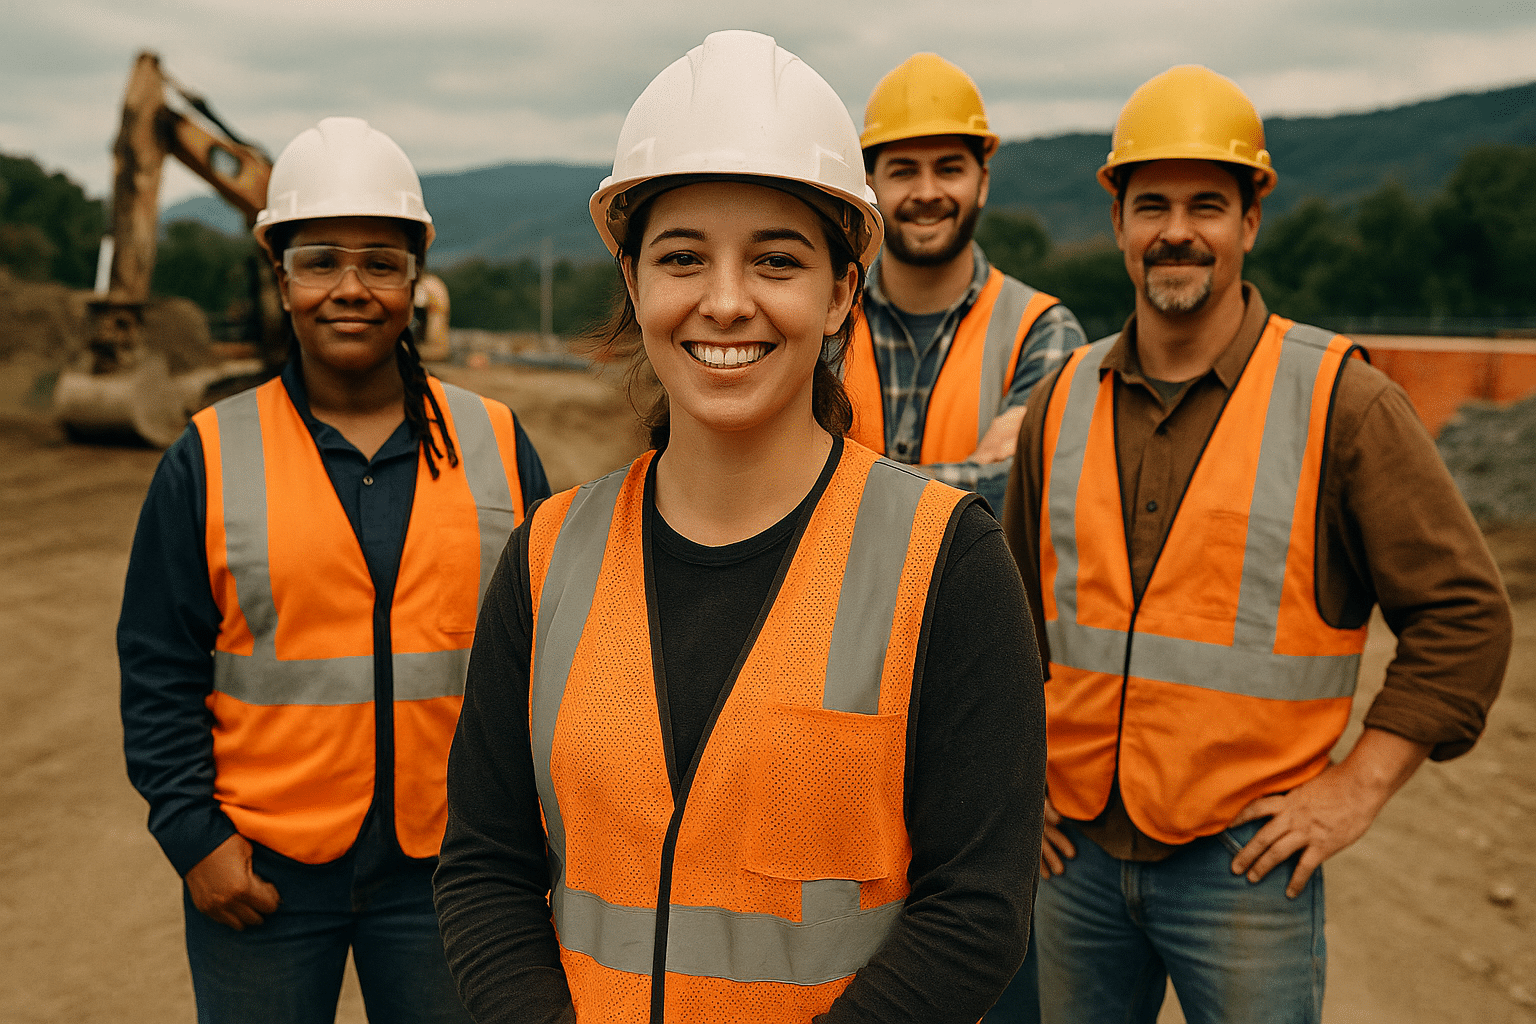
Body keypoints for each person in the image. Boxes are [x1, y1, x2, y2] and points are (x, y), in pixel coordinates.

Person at [432, 30, 1046, 1024]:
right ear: (633, 285)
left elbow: (975, 908)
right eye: (683, 258)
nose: (725, 300)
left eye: (776, 259)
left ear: (843, 293)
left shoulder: (945, 562)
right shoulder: (547, 560)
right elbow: (484, 869)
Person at [1000, 65, 1512, 1023]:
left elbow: (1464, 620)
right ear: (1118, 223)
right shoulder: (1059, 401)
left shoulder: (1342, 402)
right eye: (1151, 205)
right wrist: (1015, 788)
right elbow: (1015, 624)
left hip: (1240, 867)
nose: (1177, 230)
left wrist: (1356, 789)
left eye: (1208, 204)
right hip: (1071, 858)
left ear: (1250, 222)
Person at [119, 116, 551, 1024]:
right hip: (264, 873)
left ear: (413, 279)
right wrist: (193, 837)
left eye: (379, 262)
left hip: (453, 875)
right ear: (281, 278)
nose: (349, 288)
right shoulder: (207, 457)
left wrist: (536, 842)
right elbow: (159, 664)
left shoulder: (499, 445)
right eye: (319, 261)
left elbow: (553, 659)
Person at [844, 53, 1085, 514]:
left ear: (983, 182)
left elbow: (1029, 493)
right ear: (870, 185)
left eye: (949, 168)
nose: (928, 192)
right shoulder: (822, 320)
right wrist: (973, 483)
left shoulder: (1044, 332)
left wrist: (837, 486)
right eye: (904, 170)